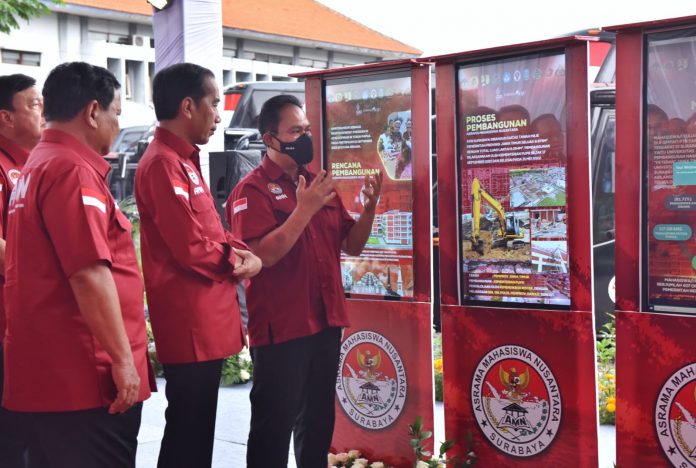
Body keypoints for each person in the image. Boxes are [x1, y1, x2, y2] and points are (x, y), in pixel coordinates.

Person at [3, 62, 155, 468]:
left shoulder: (37, 165)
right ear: (92, 112)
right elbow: (87, 272)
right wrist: (123, 361)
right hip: (85, 379)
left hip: (55, 377)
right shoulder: (71, 170)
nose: (117, 125)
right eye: (116, 113)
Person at [226, 94, 382, 468]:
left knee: (317, 424)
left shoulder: (316, 183)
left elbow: (352, 244)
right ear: (270, 138)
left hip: (325, 322)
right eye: (295, 131)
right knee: (272, 428)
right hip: (283, 327)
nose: (305, 137)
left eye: (307, 130)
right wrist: (304, 208)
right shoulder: (252, 190)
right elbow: (262, 256)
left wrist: (370, 208)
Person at [135, 63, 261, 468]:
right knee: (188, 430)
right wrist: (238, 261)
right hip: (189, 321)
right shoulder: (163, 163)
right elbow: (191, 246)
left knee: (196, 426)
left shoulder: (184, 160)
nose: (219, 115)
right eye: (213, 103)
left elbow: (211, 230)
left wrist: (239, 251)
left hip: (205, 318)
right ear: (187, 106)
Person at [0, 73, 43, 467]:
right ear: (5, 118)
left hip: (30, 320)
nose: (43, 112)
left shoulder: (36, 164)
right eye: (33, 105)